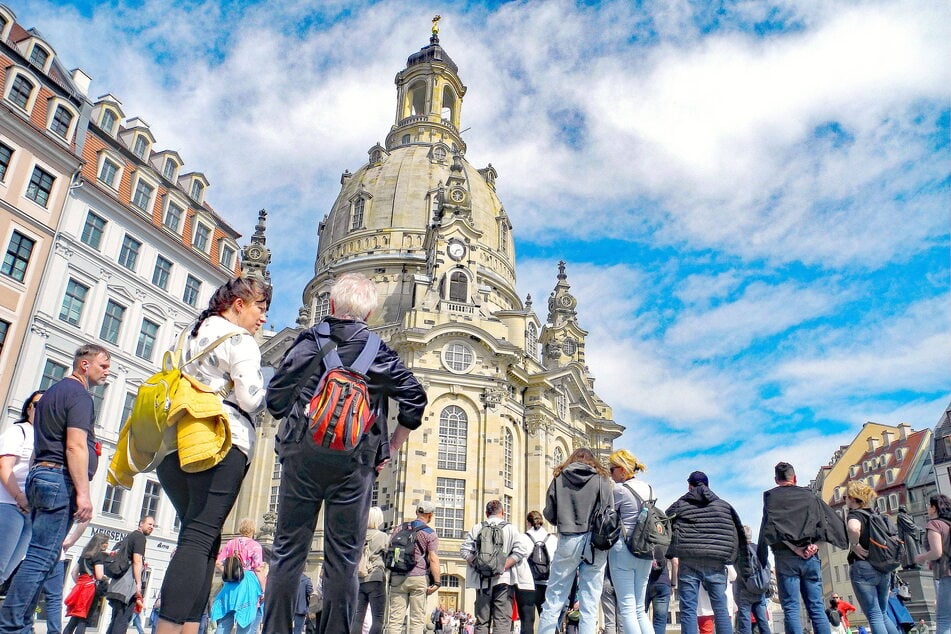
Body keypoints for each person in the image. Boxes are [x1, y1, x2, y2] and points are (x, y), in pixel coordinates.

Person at [264, 273, 428, 634]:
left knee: (288, 552)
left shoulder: (308, 342)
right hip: (355, 463)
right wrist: (391, 446)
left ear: (332, 305)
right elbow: (415, 399)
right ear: (368, 315)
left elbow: (274, 402)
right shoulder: (378, 351)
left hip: (302, 458)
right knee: (343, 559)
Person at [155, 276, 271, 634]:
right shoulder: (240, 340)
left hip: (174, 446)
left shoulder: (191, 333)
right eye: (260, 308)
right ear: (239, 304)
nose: (263, 319)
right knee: (199, 538)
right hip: (220, 442)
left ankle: (189, 627)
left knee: (201, 537)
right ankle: (170, 627)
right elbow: (251, 399)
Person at [0, 343, 110, 633]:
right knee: (42, 556)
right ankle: (10, 624)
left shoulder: (50, 395)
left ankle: (18, 623)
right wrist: (83, 492)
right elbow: (75, 445)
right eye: (103, 365)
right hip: (58, 479)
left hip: (42, 476)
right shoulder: (79, 396)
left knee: (42, 557)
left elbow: (42, 443)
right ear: (84, 365)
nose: (107, 371)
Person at [758, 462, 846, 634]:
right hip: (810, 557)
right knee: (816, 607)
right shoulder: (809, 496)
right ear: (795, 478)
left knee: (791, 608)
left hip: (785, 558)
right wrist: (814, 546)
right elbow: (824, 524)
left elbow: (770, 528)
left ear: (776, 479)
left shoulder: (771, 498)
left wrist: (793, 548)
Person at [535, 447, 613, 634]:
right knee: (590, 602)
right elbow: (609, 512)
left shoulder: (559, 478)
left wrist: (563, 518)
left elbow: (549, 513)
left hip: (568, 538)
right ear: (592, 461)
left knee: (554, 598)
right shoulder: (601, 479)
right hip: (595, 542)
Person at [666, 470, 746, 634]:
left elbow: (665, 520)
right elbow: (737, 533)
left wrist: (672, 550)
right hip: (716, 561)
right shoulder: (724, 506)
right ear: (708, 485)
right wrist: (730, 559)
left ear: (689, 486)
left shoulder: (681, 504)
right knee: (720, 608)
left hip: (688, 560)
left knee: (688, 609)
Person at [461, 499, 527, 634]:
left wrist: (478, 565)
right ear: (502, 512)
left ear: (486, 513)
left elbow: (464, 551)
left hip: (481, 581)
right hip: (504, 580)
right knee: (502, 621)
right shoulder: (510, 528)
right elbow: (521, 551)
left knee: (482, 622)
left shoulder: (477, 527)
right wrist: (502, 566)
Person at [608, 449, 654, 634]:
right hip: (646, 550)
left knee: (626, 608)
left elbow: (608, 517)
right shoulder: (649, 488)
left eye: (611, 470)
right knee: (639, 610)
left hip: (623, 548)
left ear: (621, 469)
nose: (611, 474)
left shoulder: (619, 490)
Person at [845, 480, 900, 634]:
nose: (845, 500)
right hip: (883, 567)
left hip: (863, 568)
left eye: (846, 497)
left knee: (874, 615)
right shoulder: (875, 514)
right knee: (883, 613)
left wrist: (854, 544)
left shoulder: (854, 514)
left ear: (853, 498)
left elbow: (853, 528)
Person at [0, 390, 43, 586]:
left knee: (5, 573)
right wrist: (19, 496)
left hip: (30, 510)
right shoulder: (18, 431)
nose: (41, 410)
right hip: (8, 504)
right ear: (28, 408)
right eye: (37, 405)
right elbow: (4, 467)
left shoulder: (46, 437)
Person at [385, 502, 440, 634]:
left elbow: (390, 549)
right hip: (419, 577)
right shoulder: (429, 533)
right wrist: (437, 582)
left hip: (398, 576)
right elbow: (433, 558)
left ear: (416, 512)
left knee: (395, 620)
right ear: (430, 515)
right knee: (416, 620)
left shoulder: (399, 528)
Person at [211, 519, 266, 633]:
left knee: (226, 619)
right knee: (245, 619)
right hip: (248, 584)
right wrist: (264, 589)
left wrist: (228, 571)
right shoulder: (255, 546)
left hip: (231, 583)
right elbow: (258, 569)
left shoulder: (230, 543)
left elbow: (217, 562)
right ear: (253, 530)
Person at [107, 516, 155, 634]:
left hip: (117, 584)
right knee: (122, 620)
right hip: (127, 587)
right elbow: (137, 561)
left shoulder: (129, 536)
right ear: (141, 524)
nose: (151, 527)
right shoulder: (140, 538)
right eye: (149, 524)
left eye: (153, 525)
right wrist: (138, 584)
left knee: (115, 620)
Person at [914, 494, 951, 634]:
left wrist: (922, 557)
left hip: (946, 574)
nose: (928, 508)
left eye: (929, 505)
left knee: (944, 618)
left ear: (934, 508)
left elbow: (937, 552)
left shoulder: (934, 524)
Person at [63, 533, 109, 634]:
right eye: (106, 543)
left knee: (74, 618)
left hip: (80, 587)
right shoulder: (98, 556)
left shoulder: (84, 554)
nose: (107, 545)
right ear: (102, 544)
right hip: (90, 590)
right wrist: (107, 577)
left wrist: (80, 583)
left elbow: (73, 573)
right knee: (84, 619)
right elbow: (99, 575)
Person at [353, 506, 388, 634]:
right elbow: (389, 556)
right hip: (376, 578)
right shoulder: (382, 536)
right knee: (377, 618)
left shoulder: (358, 536)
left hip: (358, 578)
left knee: (357, 618)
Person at [521, 510, 555, 633]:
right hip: (547, 583)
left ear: (527, 523)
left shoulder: (523, 538)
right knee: (549, 622)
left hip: (527, 585)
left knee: (527, 622)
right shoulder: (552, 539)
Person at [734, 526, 771, 634]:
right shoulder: (759, 548)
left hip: (744, 590)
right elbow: (767, 567)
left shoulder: (739, 551)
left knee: (745, 623)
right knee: (763, 622)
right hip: (760, 590)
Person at [646, 544, 674, 634]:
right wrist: (673, 584)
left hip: (645, 582)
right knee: (660, 622)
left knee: (638, 615)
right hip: (663, 583)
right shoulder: (664, 539)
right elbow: (675, 562)